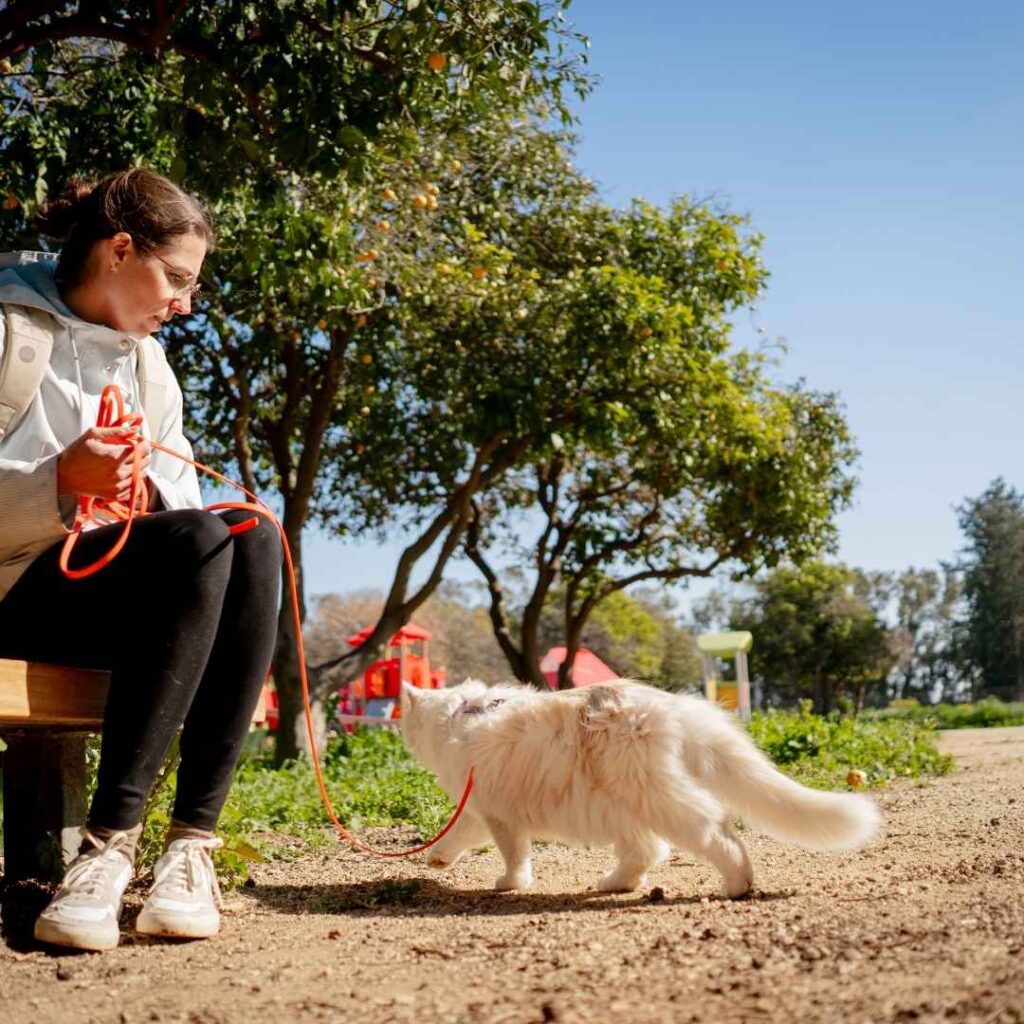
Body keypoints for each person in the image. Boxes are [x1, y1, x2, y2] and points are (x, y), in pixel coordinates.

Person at [0, 169, 281, 951]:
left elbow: (189, 512)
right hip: (10, 588)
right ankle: (106, 850)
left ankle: (190, 848)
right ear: (120, 249)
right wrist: (57, 480)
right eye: (178, 278)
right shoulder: (5, 326)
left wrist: (145, 498)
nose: (184, 303)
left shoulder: (150, 367)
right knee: (202, 539)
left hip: (96, 595)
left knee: (251, 531)